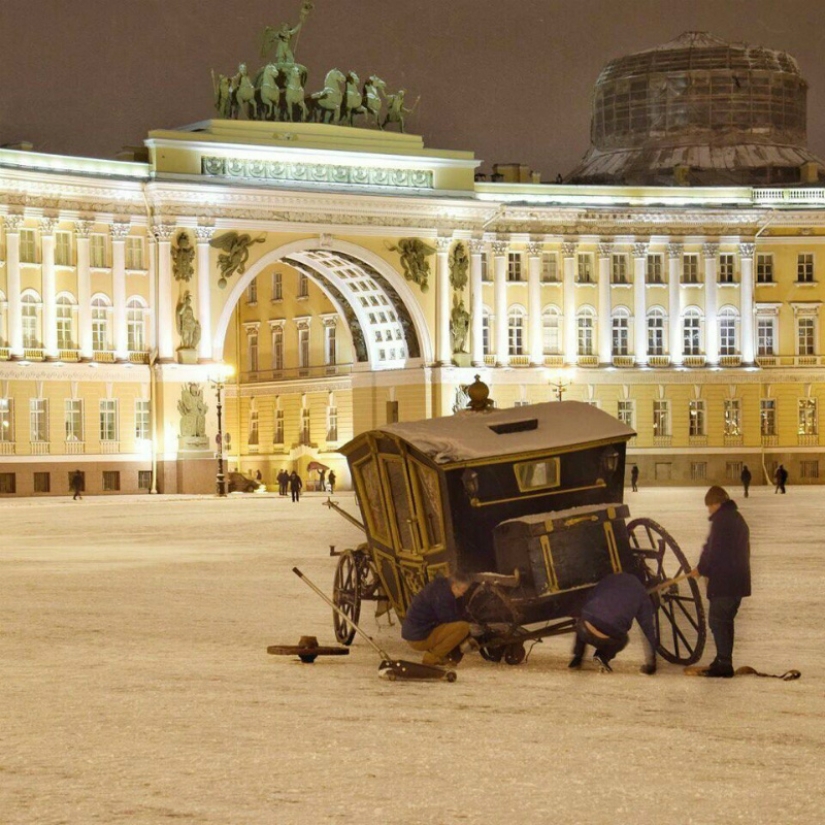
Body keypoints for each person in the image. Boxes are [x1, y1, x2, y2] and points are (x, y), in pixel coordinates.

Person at [694, 485, 751, 678]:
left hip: (725, 582)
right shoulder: (737, 519)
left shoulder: (721, 521)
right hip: (737, 582)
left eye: (710, 506)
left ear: (717, 503)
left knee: (717, 621)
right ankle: (722, 658)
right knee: (725, 622)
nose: (709, 510)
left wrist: (702, 568)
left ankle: (724, 663)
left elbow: (713, 550)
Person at [569, 572, 657, 674]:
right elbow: (648, 628)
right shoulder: (642, 594)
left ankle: (577, 658)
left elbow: (588, 599)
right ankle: (602, 656)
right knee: (623, 639)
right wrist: (652, 663)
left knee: (586, 616)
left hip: (584, 630)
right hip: (608, 636)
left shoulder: (611, 577)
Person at [401, 572, 474, 666]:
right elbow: (450, 619)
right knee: (463, 627)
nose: (462, 594)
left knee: (458, 626)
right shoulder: (443, 597)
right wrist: (470, 620)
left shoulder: (440, 586)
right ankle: (432, 657)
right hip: (419, 638)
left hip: (414, 633)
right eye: (462, 590)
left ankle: (440, 655)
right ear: (454, 586)